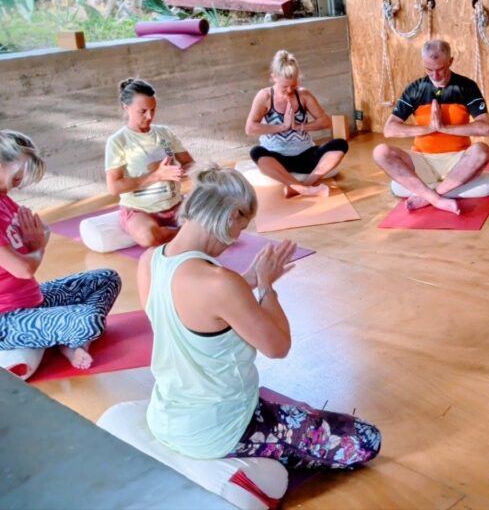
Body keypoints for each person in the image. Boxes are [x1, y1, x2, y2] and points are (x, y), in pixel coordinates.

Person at [138, 164, 381, 468]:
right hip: (221, 429)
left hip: (165, 417)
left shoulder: (150, 260)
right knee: (365, 439)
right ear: (230, 217)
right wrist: (265, 287)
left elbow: (189, 310)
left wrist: (247, 280)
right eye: (241, 227)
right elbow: (278, 347)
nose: (236, 237)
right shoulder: (220, 282)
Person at [0, 122, 121, 370]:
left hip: (30, 300)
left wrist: (36, 242)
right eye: (15, 178)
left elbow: (42, 229)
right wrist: (37, 247)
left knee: (106, 278)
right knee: (90, 321)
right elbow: (23, 269)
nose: (16, 186)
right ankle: (69, 339)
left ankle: (61, 336)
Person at [372, 39, 489, 214]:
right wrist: (429, 129)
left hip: (457, 162)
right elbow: (390, 129)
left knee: (482, 151)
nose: (435, 76)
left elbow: (485, 128)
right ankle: (437, 199)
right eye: (429, 70)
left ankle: (428, 196)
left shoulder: (466, 87)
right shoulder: (415, 89)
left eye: (440, 69)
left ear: (450, 61)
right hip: (422, 161)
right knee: (380, 152)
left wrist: (445, 128)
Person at [246, 50, 349, 198]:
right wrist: (282, 127)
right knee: (256, 152)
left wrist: (299, 126)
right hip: (277, 158)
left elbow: (325, 121)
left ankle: (305, 185)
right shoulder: (265, 96)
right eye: (284, 87)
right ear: (273, 77)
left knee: (340, 144)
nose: (289, 90)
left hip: (305, 155)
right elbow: (250, 128)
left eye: (293, 86)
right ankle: (305, 189)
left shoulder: (303, 95)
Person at [105, 78, 195, 248]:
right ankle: (187, 234)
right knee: (149, 238)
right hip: (139, 210)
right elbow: (113, 187)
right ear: (126, 107)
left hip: (174, 204)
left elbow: (190, 164)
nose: (150, 116)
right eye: (143, 111)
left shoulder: (165, 133)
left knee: (219, 219)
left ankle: (186, 232)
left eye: (153, 110)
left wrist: (181, 171)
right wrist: (155, 176)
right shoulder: (118, 141)